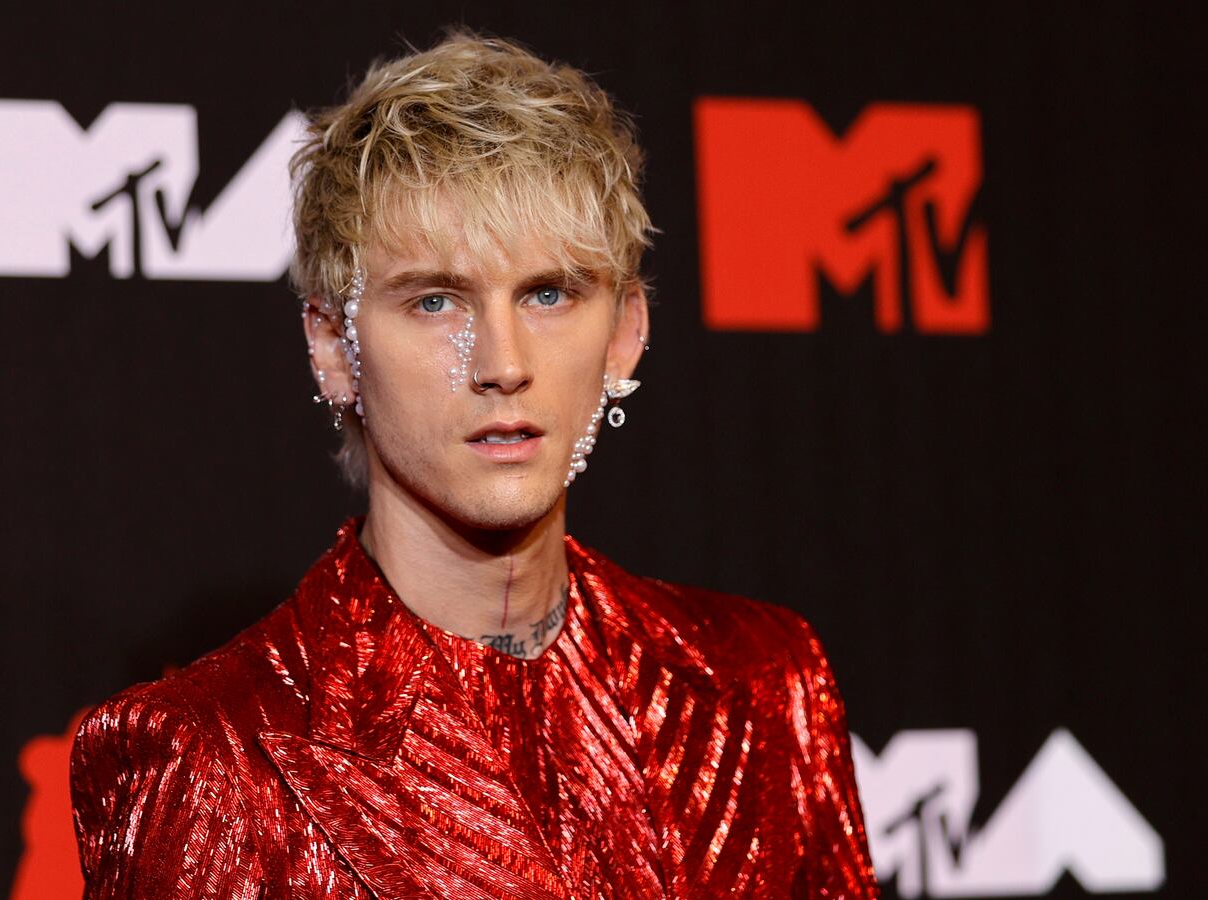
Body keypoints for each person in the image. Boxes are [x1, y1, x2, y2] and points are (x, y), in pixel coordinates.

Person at [69, 31, 878, 899]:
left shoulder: (762, 687)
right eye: (434, 300)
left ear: (626, 335)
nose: (501, 360)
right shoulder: (206, 756)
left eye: (548, 293)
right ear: (333, 349)